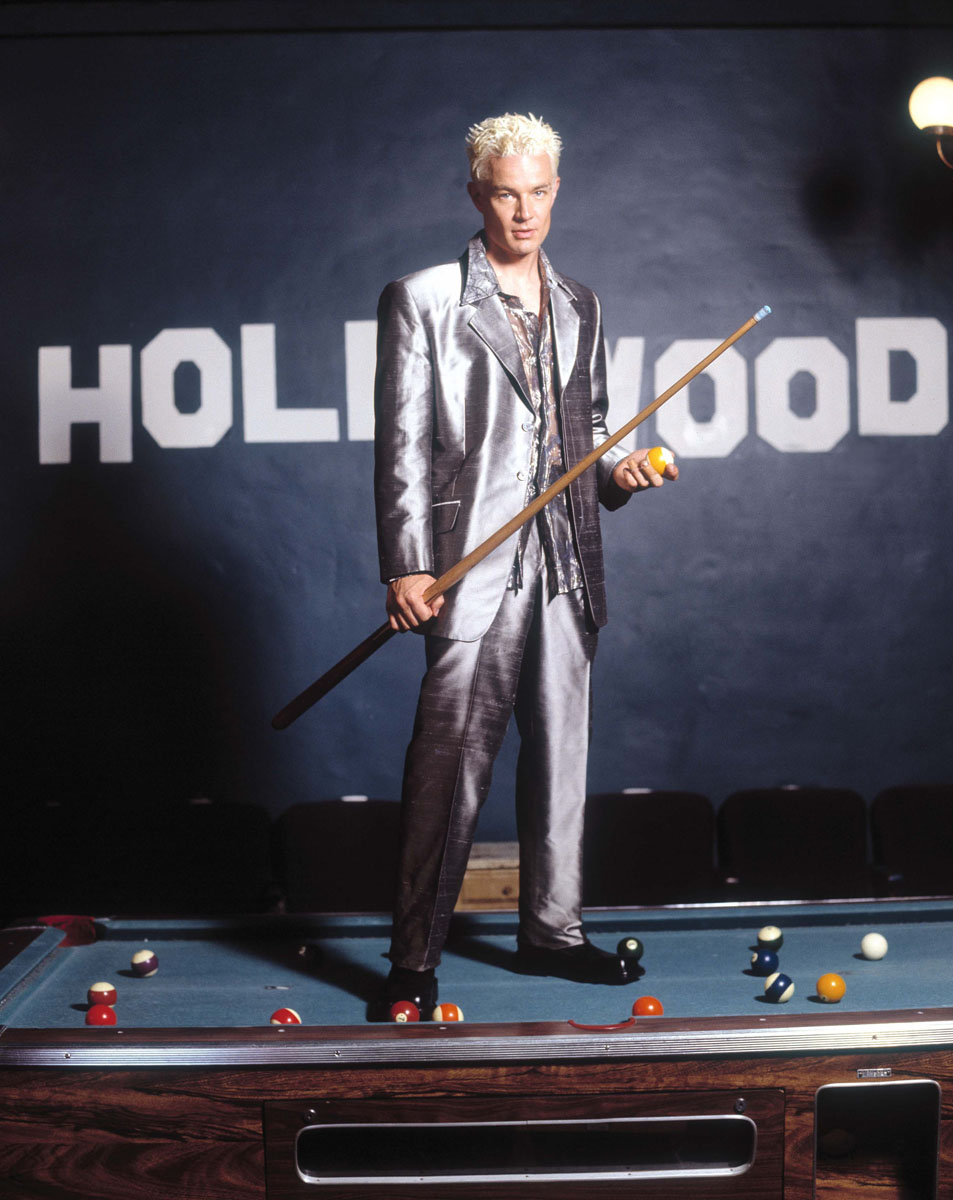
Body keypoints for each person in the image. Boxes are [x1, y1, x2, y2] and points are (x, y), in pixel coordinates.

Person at [371, 112, 677, 1020]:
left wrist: (621, 473)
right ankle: (413, 957)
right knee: (447, 766)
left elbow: (593, 436)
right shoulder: (423, 298)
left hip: (567, 563)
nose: (525, 211)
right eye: (507, 194)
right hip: (470, 566)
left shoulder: (582, 303)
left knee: (561, 759)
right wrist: (406, 566)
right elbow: (402, 444)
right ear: (478, 194)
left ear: (556, 191)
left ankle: (553, 934)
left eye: (539, 192)